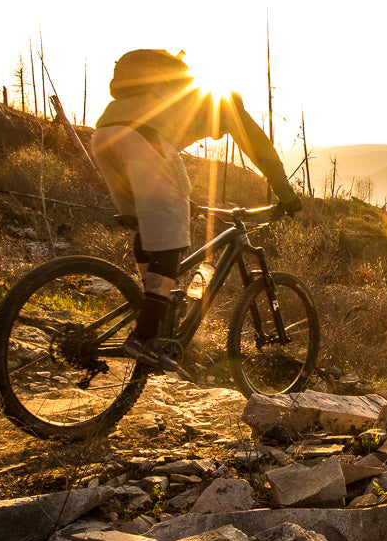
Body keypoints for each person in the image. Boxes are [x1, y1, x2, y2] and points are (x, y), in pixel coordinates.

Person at [90, 49, 302, 370]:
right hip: (142, 139)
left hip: (104, 134)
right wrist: (286, 195)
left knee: (149, 229)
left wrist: (180, 201)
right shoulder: (225, 106)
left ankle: (151, 312)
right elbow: (260, 149)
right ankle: (145, 338)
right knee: (173, 241)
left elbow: (158, 166)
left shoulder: (169, 102)